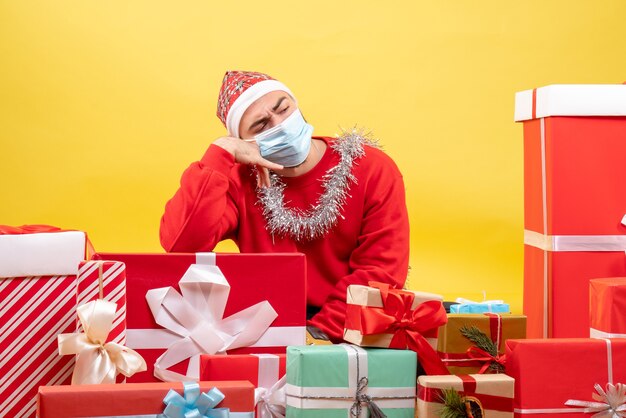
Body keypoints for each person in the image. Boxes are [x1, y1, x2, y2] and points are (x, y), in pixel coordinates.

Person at [159, 70, 409, 342]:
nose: (280, 124)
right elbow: (182, 244)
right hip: (266, 331)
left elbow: (380, 271)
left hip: (352, 332)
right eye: (262, 125)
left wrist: (315, 336)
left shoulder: (371, 168)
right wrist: (220, 154)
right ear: (245, 141)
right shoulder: (238, 182)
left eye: (283, 109)